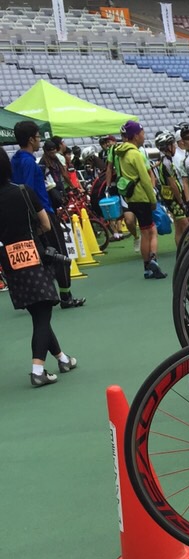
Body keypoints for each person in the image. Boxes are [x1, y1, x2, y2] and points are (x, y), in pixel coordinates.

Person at [0, 147, 77, 387]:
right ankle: (37, 370)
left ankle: (62, 359)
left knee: (38, 312)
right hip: (34, 256)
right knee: (42, 314)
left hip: (10, 262)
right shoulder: (23, 192)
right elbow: (45, 224)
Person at [11, 119, 84, 309]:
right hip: (42, 213)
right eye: (37, 137)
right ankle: (65, 296)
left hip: (27, 217)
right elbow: (28, 190)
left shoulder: (15, 160)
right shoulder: (29, 162)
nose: (39, 141)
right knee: (60, 254)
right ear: (30, 139)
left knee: (41, 257)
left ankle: (43, 295)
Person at [114, 120, 165, 280]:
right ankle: (153, 261)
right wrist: (153, 199)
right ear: (135, 136)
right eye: (142, 133)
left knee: (144, 231)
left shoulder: (121, 153)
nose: (144, 136)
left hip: (131, 198)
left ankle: (146, 267)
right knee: (151, 231)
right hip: (142, 196)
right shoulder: (136, 154)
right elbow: (145, 179)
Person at [154, 130, 189, 244]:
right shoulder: (167, 163)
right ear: (167, 147)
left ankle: (181, 250)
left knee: (179, 228)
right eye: (173, 144)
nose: (175, 146)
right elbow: (172, 184)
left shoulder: (165, 160)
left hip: (169, 198)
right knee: (185, 226)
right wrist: (180, 201)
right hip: (174, 199)